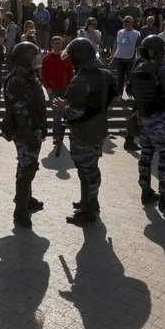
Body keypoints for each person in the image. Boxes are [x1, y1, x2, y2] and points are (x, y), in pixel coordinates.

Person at [53, 37, 116, 224]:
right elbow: (114, 99)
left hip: (83, 131)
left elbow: (75, 112)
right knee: (92, 168)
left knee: (85, 170)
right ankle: (90, 202)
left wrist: (62, 108)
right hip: (100, 127)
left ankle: (88, 211)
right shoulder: (106, 74)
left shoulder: (79, 80)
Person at [126, 35, 165, 211]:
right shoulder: (161, 70)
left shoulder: (137, 67)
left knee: (146, 155)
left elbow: (129, 89)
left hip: (143, 117)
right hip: (159, 118)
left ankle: (146, 191)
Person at [2, 41, 48, 228]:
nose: (36, 61)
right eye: (32, 57)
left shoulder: (29, 75)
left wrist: (43, 125)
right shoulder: (17, 81)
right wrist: (29, 135)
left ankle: (26, 199)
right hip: (24, 132)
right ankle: (20, 211)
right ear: (23, 59)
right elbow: (20, 111)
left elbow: (38, 103)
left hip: (33, 128)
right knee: (28, 168)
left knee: (25, 165)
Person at [41, 35, 74, 156]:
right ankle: (56, 136)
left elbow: (71, 73)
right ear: (52, 45)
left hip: (65, 89)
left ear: (62, 45)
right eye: (55, 44)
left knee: (65, 113)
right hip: (53, 90)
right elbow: (43, 74)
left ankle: (62, 135)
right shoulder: (47, 58)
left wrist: (70, 88)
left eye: (59, 44)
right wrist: (47, 88)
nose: (57, 46)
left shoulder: (67, 58)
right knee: (56, 113)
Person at [111, 16, 140, 98]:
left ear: (131, 23)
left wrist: (138, 58)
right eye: (124, 21)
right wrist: (112, 55)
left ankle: (130, 94)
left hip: (130, 59)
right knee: (120, 78)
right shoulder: (119, 32)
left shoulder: (136, 33)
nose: (124, 23)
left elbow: (138, 46)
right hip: (120, 57)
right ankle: (119, 94)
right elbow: (116, 44)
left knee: (130, 78)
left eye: (126, 21)